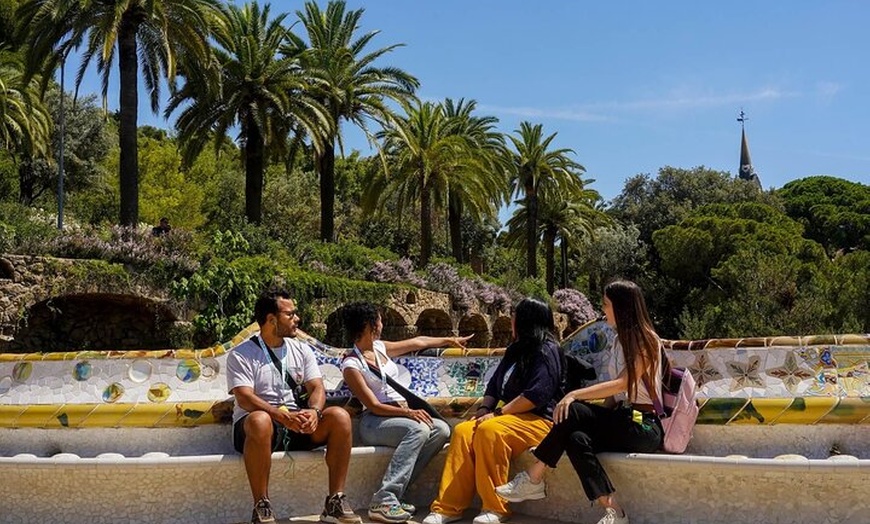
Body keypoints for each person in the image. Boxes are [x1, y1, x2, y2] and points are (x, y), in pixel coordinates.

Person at [495, 280, 664, 524]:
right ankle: (614, 511)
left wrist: (574, 395)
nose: (603, 310)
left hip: (644, 425)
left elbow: (622, 384)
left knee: (572, 409)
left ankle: (534, 476)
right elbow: (613, 397)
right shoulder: (619, 341)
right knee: (575, 437)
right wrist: (587, 418)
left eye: (606, 304)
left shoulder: (646, 339)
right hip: (624, 419)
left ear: (621, 307)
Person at [421, 298, 563, 524]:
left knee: (490, 430)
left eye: (515, 316)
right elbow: (494, 387)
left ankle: (496, 507)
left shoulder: (548, 351)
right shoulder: (515, 350)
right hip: (511, 418)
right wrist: (485, 408)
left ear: (526, 320)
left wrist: (497, 414)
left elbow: (535, 396)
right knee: (463, 431)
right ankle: (448, 507)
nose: (512, 321)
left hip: (540, 422)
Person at [227, 288, 361, 524]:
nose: (297, 319)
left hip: (295, 422)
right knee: (260, 420)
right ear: (271, 319)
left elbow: (317, 388)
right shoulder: (242, 354)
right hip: (258, 428)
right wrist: (279, 415)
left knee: (339, 416)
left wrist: (314, 412)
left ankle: (335, 501)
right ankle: (262, 505)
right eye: (290, 314)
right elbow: (244, 398)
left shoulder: (301, 349)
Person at [340, 302, 467, 523]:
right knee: (418, 430)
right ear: (369, 325)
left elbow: (417, 342)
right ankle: (384, 499)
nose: (382, 324)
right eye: (379, 320)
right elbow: (373, 405)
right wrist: (409, 414)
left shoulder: (379, 348)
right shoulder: (351, 364)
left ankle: (397, 495)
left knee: (441, 430)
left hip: (398, 416)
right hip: (374, 422)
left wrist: (448, 340)